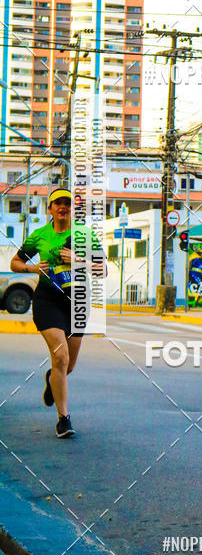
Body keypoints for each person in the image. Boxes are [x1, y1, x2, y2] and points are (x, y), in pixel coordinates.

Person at [10, 188, 105, 438]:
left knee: (68, 366)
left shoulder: (85, 235)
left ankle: (52, 378)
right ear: (49, 209)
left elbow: (102, 270)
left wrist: (78, 261)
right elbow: (15, 263)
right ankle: (64, 419)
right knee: (61, 356)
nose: (63, 206)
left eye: (67, 203)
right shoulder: (40, 235)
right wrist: (32, 268)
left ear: (73, 209)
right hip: (47, 299)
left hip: (77, 303)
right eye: (57, 203)